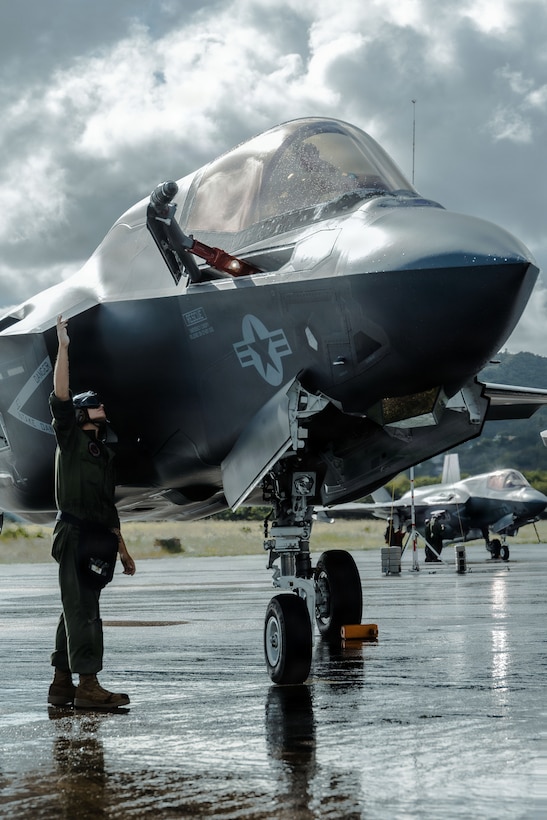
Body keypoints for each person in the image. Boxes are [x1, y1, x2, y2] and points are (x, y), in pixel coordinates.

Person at [47, 315, 136, 710]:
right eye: (95, 406)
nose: (102, 408)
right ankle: (89, 685)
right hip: (74, 535)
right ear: (83, 415)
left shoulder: (104, 455)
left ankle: (62, 683)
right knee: (83, 612)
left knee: (76, 609)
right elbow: (61, 395)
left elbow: (107, 506)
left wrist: (123, 548)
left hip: (96, 536)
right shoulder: (69, 440)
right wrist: (63, 347)